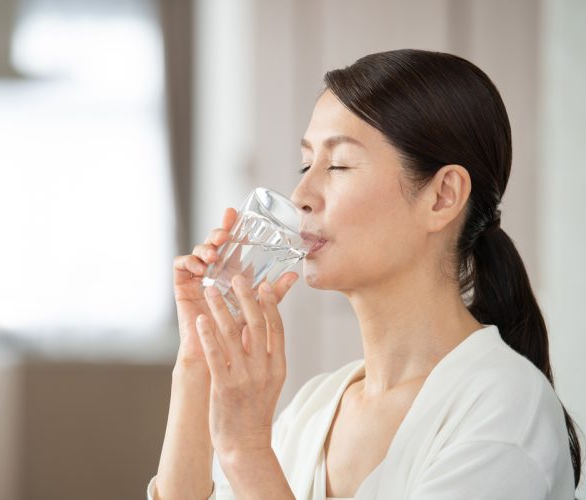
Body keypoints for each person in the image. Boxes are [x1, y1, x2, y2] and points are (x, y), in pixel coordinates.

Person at [147, 49, 582, 499]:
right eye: (306, 163)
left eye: (337, 165)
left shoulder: (504, 409)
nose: (300, 195)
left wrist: (247, 451)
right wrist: (197, 363)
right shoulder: (315, 409)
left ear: (442, 197)